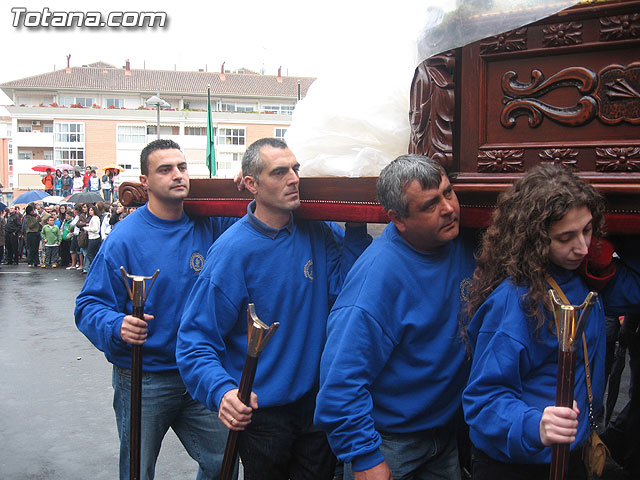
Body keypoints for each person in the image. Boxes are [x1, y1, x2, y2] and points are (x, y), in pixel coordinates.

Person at [176, 138, 371, 480]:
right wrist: (221, 391)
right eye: (279, 172)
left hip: (315, 407)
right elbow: (195, 340)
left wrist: (356, 224)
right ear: (251, 184)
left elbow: (345, 290)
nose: (293, 178)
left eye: (295, 169)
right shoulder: (232, 252)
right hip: (262, 416)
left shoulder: (318, 230)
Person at [461, 165, 640, 479]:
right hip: (519, 464)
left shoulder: (582, 275)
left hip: (570, 453)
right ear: (536, 239)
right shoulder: (514, 302)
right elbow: (483, 401)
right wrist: (533, 424)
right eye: (565, 237)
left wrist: (607, 253)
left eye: (587, 230)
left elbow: (635, 291)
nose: (583, 247)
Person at [75, 139, 237, 480]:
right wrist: (117, 325)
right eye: (165, 169)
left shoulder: (208, 224)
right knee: (137, 470)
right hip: (143, 377)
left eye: (181, 167)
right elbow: (88, 305)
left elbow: (252, 218)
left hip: (200, 372)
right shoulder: (124, 239)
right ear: (145, 181)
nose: (177, 175)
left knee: (223, 461)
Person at [314, 155, 476, 480]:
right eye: (430, 205)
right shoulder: (375, 284)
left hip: (442, 434)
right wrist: (364, 457)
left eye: (448, 193)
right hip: (389, 443)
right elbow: (339, 385)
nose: (448, 208)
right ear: (398, 220)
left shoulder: (460, 242)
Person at [82, 204, 101, 273]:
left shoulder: (95, 218)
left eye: (91, 210)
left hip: (94, 238)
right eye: (89, 210)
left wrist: (87, 228)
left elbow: (95, 229)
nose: (90, 211)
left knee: (89, 254)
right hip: (93, 237)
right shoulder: (94, 218)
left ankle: (94, 267)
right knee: (93, 253)